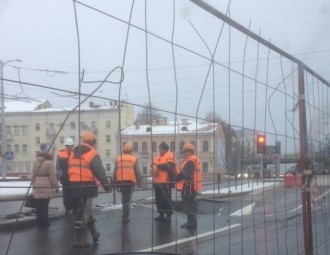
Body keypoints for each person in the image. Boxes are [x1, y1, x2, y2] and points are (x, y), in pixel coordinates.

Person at [68, 131, 112, 248]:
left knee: (85, 211)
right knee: (83, 213)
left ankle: (94, 233)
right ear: (93, 142)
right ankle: (79, 239)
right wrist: (107, 186)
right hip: (86, 186)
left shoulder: (74, 152)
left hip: (73, 185)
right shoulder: (92, 154)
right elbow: (100, 172)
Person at [31, 143, 59, 229]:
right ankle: (45, 222)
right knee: (45, 206)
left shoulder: (36, 162)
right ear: (48, 152)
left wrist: (33, 184)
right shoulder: (50, 163)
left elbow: (33, 175)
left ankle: (39, 222)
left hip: (37, 185)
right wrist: (56, 187)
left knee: (39, 206)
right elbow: (53, 177)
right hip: (46, 186)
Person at [113, 143, 142, 223]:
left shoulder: (118, 158)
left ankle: (124, 214)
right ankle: (125, 216)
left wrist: (114, 182)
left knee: (124, 197)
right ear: (131, 150)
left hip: (120, 181)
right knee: (128, 198)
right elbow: (138, 172)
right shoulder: (134, 158)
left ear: (123, 150)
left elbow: (115, 171)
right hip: (130, 181)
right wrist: (139, 183)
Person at [175, 143, 202, 229]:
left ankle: (191, 222)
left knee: (188, 203)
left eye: (185, 152)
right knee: (190, 203)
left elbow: (186, 174)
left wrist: (175, 178)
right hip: (191, 185)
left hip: (189, 186)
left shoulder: (190, 161)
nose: (184, 154)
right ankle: (192, 221)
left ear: (189, 152)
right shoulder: (193, 160)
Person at [150, 141, 176, 223]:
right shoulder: (157, 157)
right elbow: (154, 166)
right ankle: (161, 214)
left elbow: (169, 167)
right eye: (159, 149)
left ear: (165, 149)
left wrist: (157, 166)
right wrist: (152, 166)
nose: (160, 150)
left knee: (166, 199)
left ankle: (168, 215)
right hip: (157, 182)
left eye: (161, 149)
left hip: (166, 182)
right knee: (158, 199)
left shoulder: (170, 156)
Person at [56, 137, 75, 213]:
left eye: (69, 146)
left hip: (74, 178)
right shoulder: (61, 153)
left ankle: (74, 207)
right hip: (65, 178)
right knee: (66, 194)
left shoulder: (75, 153)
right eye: (67, 145)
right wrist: (61, 175)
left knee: (74, 193)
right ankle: (67, 208)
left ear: (72, 146)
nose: (68, 147)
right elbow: (58, 166)